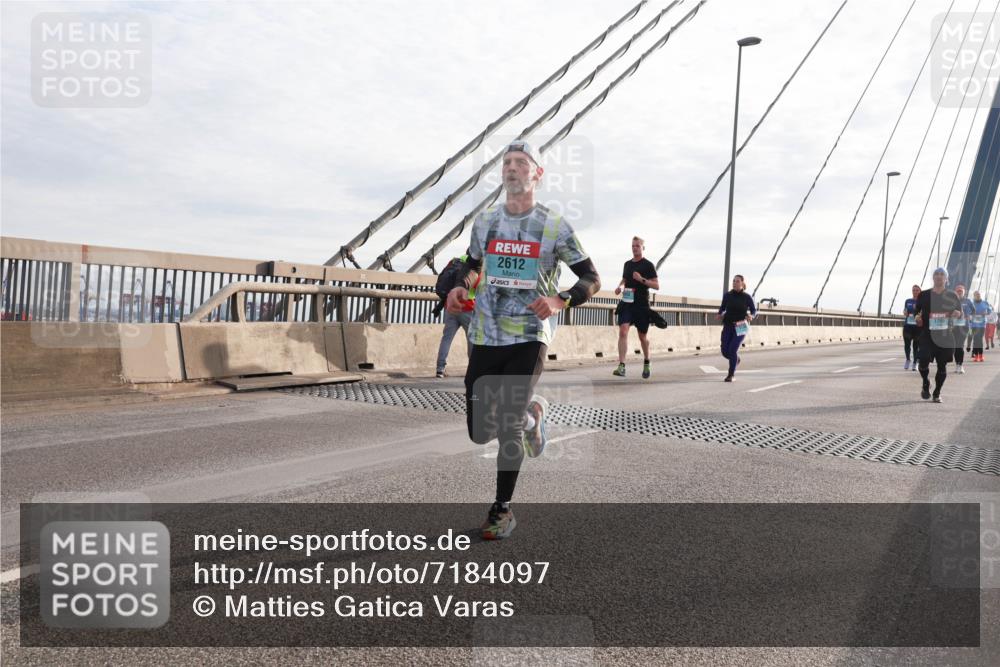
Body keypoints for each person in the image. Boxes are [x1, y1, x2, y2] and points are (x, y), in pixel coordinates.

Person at [445, 140, 600, 540]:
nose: (511, 168)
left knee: (507, 424)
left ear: (537, 174)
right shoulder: (485, 222)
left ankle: (502, 510)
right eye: (506, 163)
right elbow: (472, 265)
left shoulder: (554, 225)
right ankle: (534, 416)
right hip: (486, 333)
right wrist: (461, 285)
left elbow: (591, 278)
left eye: (520, 162)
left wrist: (561, 299)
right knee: (480, 432)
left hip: (530, 334)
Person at [914, 267, 963, 403]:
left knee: (942, 366)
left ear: (946, 278)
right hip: (927, 335)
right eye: (936, 274)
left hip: (945, 336)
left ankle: (937, 393)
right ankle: (926, 382)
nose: (939, 276)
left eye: (942, 274)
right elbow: (917, 311)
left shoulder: (952, 295)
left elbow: (960, 312)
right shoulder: (924, 295)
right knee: (922, 361)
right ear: (933, 277)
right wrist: (917, 318)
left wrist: (958, 313)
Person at [612, 236, 659, 379]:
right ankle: (621, 366)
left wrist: (641, 279)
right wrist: (620, 287)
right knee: (623, 331)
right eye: (633, 246)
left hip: (641, 305)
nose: (634, 248)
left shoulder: (648, 265)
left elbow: (656, 285)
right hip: (627, 302)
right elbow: (624, 279)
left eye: (637, 246)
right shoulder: (627, 264)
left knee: (642, 337)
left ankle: (647, 361)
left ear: (643, 248)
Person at [433, 255, 476, 378]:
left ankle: (440, 369)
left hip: (450, 306)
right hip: (468, 307)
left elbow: (444, 279)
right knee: (472, 339)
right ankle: (472, 369)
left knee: (446, 338)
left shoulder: (454, 261)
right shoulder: (476, 265)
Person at [715, 274, 757, 382]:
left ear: (742, 283)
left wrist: (751, 316)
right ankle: (736, 360)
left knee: (733, 349)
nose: (734, 283)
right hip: (728, 324)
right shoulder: (727, 295)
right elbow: (722, 307)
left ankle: (731, 374)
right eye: (733, 281)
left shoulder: (747, 297)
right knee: (725, 351)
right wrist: (720, 314)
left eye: (737, 281)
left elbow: (754, 310)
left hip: (741, 325)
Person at [968, 291, 993, 361]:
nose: (978, 296)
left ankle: (981, 356)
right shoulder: (971, 303)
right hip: (974, 325)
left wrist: (986, 312)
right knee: (976, 340)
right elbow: (968, 311)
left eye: (979, 294)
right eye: (976, 295)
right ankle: (976, 356)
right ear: (974, 296)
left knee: (980, 340)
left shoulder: (985, 303)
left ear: (980, 295)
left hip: (982, 325)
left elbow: (990, 310)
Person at [953, 285, 972, 374]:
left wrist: (968, 316)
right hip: (954, 327)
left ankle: (960, 365)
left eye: (961, 291)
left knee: (960, 345)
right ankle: (957, 364)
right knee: (955, 346)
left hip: (964, 326)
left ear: (964, 292)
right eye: (958, 290)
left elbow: (974, 311)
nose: (959, 292)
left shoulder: (968, 301)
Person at [902, 284, 921, 371]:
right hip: (908, 326)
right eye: (914, 290)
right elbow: (905, 310)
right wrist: (905, 312)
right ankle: (908, 359)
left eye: (917, 290)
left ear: (920, 291)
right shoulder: (908, 301)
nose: (915, 292)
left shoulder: (922, 302)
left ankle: (915, 363)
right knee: (907, 345)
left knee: (916, 346)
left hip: (917, 327)